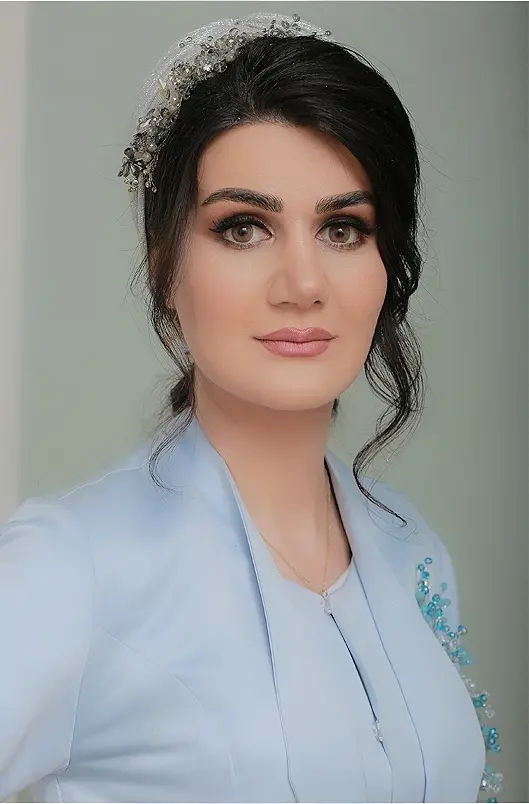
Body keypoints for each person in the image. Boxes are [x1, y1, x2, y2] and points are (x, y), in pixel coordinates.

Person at [0, 11, 503, 804]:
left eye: (343, 228)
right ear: (166, 263)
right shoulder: (73, 568)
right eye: (243, 228)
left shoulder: (411, 551)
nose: (302, 283)